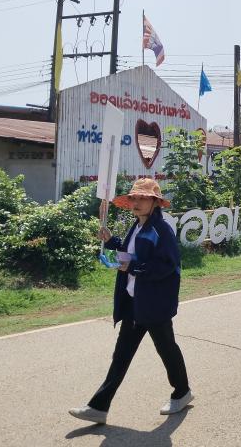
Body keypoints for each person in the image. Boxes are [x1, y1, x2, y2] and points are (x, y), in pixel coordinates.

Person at [69, 178, 192, 425]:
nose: (137, 202)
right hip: (135, 302)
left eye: (143, 198)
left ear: (155, 202)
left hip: (154, 304)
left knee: (167, 349)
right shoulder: (138, 226)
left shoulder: (161, 230)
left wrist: (133, 267)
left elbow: (167, 266)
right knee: (122, 355)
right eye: (134, 198)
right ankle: (98, 407)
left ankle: (182, 392)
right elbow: (131, 252)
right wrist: (111, 241)